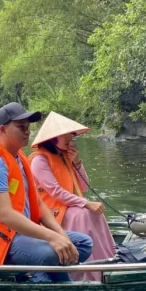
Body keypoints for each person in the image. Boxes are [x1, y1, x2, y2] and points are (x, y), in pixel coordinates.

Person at [0, 102, 93, 282]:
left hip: (21, 234)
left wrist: (61, 235)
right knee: (51, 253)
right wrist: (51, 238)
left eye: (28, 127)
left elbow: (39, 204)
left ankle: (47, 278)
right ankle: (34, 275)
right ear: (3, 130)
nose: (27, 131)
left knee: (83, 244)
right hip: (0, 238)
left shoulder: (19, 158)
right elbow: (6, 216)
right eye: (21, 127)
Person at [29, 112, 115, 281]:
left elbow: (83, 186)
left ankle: (108, 259)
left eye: (71, 137)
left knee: (94, 213)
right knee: (82, 213)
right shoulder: (39, 160)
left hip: (67, 207)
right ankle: (85, 272)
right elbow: (56, 192)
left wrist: (77, 163)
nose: (70, 139)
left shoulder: (64, 157)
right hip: (51, 214)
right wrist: (85, 203)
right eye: (65, 137)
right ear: (53, 139)